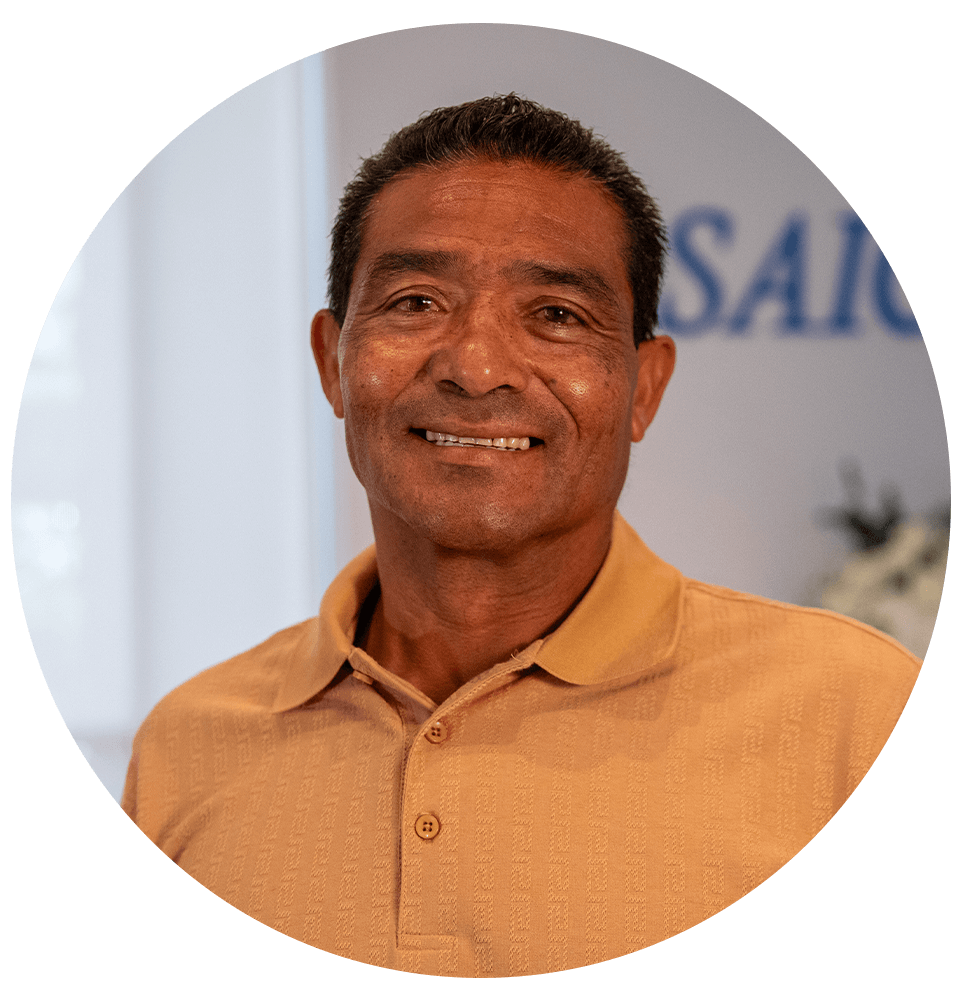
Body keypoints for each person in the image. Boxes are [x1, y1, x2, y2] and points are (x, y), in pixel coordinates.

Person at [121, 94, 921, 976]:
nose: (475, 367)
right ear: (333, 362)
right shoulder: (187, 748)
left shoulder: (853, 713)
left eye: (556, 315)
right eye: (416, 300)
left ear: (643, 388)